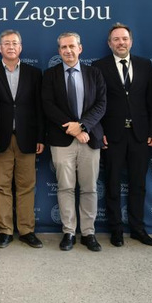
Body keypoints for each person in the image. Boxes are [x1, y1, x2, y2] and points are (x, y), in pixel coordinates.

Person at [92, 23, 152, 247]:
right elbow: (95, 103)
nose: (121, 43)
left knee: (138, 184)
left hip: (141, 134)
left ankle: (138, 228)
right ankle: (116, 229)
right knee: (112, 184)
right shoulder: (99, 66)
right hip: (112, 135)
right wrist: (99, 132)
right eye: (116, 39)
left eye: (124, 39)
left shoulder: (145, 65)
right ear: (109, 43)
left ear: (131, 41)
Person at [42, 32, 106, 252]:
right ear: (59, 51)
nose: (68, 50)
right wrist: (73, 129)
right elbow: (48, 105)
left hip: (90, 138)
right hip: (62, 140)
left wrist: (83, 126)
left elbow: (101, 104)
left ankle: (88, 233)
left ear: (80, 48)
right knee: (65, 187)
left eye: (72, 46)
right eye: (63, 47)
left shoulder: (94, 73)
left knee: (89, 188)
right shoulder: (50, 75)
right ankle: (69, 232)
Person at [0, 30, 45, 249]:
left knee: (26, 186)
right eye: (6, 43)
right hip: (0, 139)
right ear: (0, 48)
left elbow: (39, 108)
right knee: (2, 186)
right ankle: (5, 231)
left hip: (27, 138)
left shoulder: (34, 73)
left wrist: (40, 136)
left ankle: (26, 230)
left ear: (20, 47)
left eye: (14, 43)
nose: (11, 46)